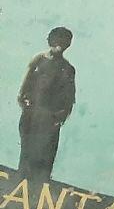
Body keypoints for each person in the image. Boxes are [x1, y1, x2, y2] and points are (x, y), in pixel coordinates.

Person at [16, 27, 76, 183]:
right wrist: (26, 105)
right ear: (51, 39)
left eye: (65, 40)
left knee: (45, 161)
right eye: (58, 38)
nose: (60, 43)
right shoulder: (39, 60)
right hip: (32, 116)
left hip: (50, 121)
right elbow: (23, 89)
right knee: (27, 155)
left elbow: (69, 99)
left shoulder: (68, 69)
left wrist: (58, 118)